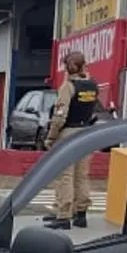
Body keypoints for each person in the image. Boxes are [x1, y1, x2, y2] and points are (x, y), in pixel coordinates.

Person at [43, 50, 98, 230]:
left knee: (64, 175)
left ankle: (63, 216)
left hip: (69, 132)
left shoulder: (68, 86)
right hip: (87, 133)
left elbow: (60, 115)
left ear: (67, 68)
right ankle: (81, 214)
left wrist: (51, 137)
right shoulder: (92, 85)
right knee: (82, 175)